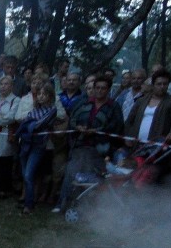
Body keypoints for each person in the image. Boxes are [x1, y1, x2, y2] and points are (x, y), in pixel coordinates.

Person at [53, 76, 124, 213]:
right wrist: (78, 127)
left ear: (108, 90)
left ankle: (87, 207)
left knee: (92, 177)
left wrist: (97, 131)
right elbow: (72, 119)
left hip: (100, 149)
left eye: (103, 88)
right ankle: (62, 204)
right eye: (97, 87)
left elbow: (116, 126)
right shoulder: (84, 103)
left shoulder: (113, 106)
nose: (99, 91)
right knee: (71, 172)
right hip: (80, 145)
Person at [15, 83, 59, 214]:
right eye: (39, 94)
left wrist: (29, 124)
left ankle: (28, 205)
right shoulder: (34, 110)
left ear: (50, 96)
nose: (41, 97)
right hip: (25, 144)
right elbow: (24, 124)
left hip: (38, 146)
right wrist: (28, 125)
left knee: (29, 174)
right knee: (25, 175)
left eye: (44, 94)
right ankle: (29, 200)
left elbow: (38, 125)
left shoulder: (52, 110)